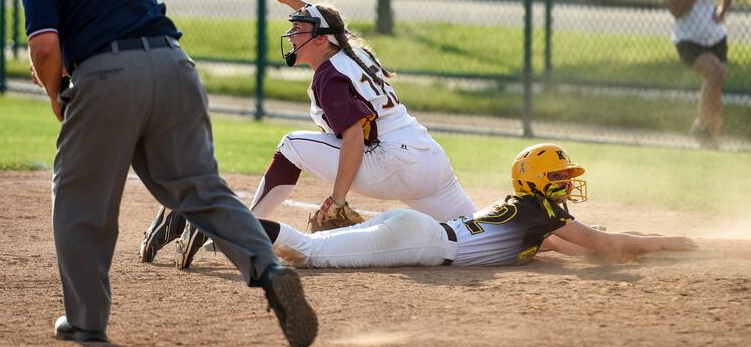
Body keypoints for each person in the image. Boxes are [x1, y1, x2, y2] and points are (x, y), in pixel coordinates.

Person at [16, 0, 316, 345]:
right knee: (200, 188)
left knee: (82, 202)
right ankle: (268, 269)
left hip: (108, 76)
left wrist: (53, 93)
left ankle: (86, 322)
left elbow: (45, 47)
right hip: (175, 66)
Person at [139, 0, 479, 269]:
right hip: (431, 161)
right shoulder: (354, 52)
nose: (291, 34)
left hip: (390, 164)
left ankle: (244, 227)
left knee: (292, 145)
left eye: (298, 30)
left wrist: (337, 200)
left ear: (319, 41)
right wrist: (289, 0)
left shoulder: (330, 76)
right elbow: (332, 26)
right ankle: (529, 232)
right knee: (474, 229)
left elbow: (353, 140)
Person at [254, 143, 697, 269]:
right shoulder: (540, 214)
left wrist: (643, 242)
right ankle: (229, 223)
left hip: (416, 230)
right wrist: (666, 244)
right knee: (308, 253)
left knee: (310, 246)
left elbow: (566, 248)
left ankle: (225, 230)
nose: (566, 185)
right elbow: (600, 243)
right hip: (422, 241)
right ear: (538, 182)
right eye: (559, 178)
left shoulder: (526, 214)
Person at [660, 0, 733, 149]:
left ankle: (711, 140)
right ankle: (701, 125)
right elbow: (677, 11)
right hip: (689, 40)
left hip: (715, 37)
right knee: (715, 74)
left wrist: (721, 12)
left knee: (715, 84)